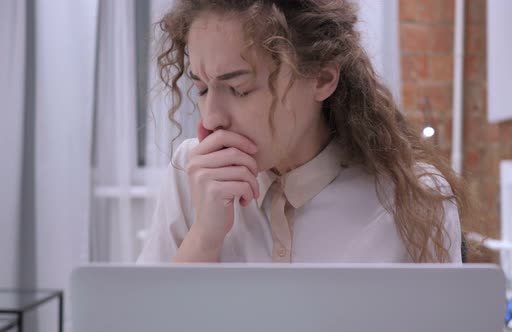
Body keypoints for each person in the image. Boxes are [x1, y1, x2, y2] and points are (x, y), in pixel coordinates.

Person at [137, 0, 476, 264]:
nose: (211, 119)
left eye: (239, 89)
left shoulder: (415, 199)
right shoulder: (191, 174)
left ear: (322, 78)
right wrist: (204, 239)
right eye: (201, 89)